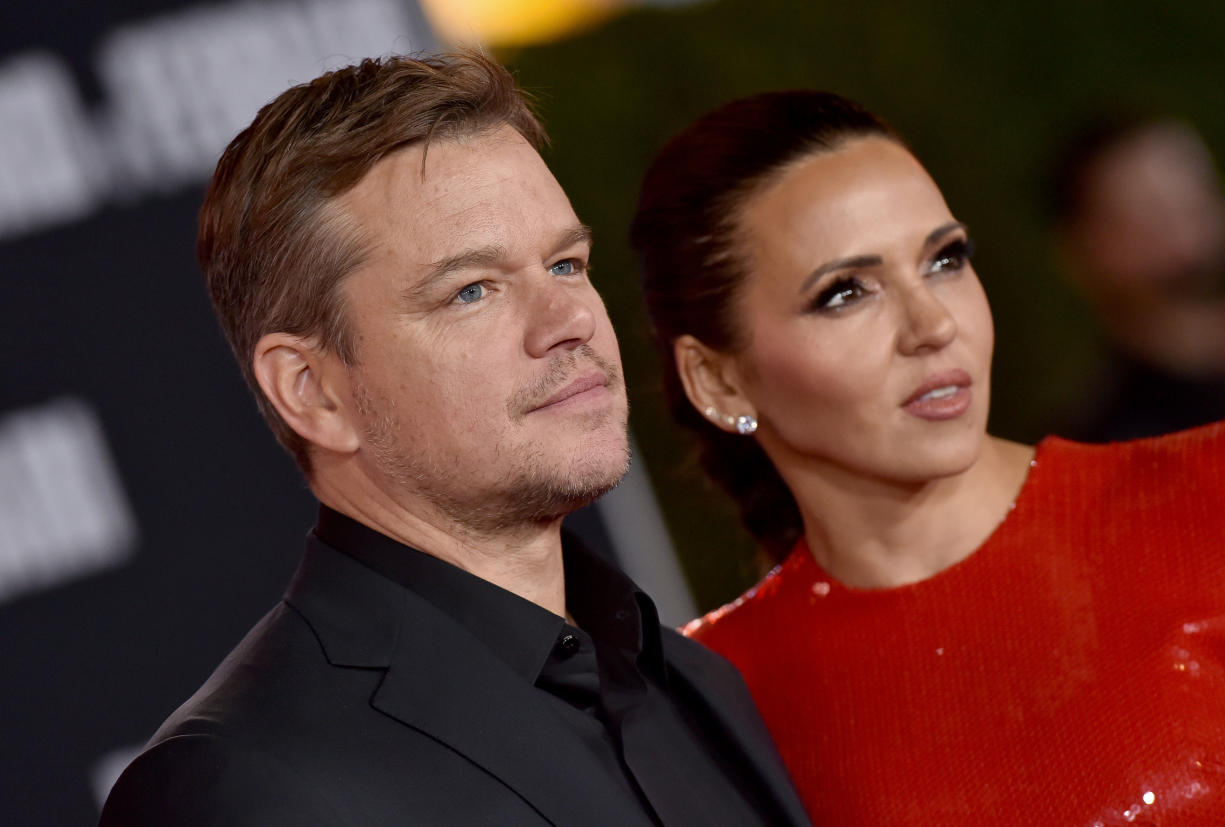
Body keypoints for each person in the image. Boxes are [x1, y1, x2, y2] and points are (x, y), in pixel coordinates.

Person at [99, 53, 810, 827]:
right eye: (473, 290)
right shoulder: (236, 785)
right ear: (313, 388)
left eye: (567, 264)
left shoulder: (701, 686)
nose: (569, 320)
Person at [630, 90, 1225, 825]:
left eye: (945, 259)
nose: (933, 324)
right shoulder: (705, 700)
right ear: (718, 378)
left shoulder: (1219, 491)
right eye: (844, 292)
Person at [1050, 114, 1225, 441]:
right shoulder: (1117, 445)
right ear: (1084, 250)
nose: (1187, 235)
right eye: (1150, 216)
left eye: (1193, 199)